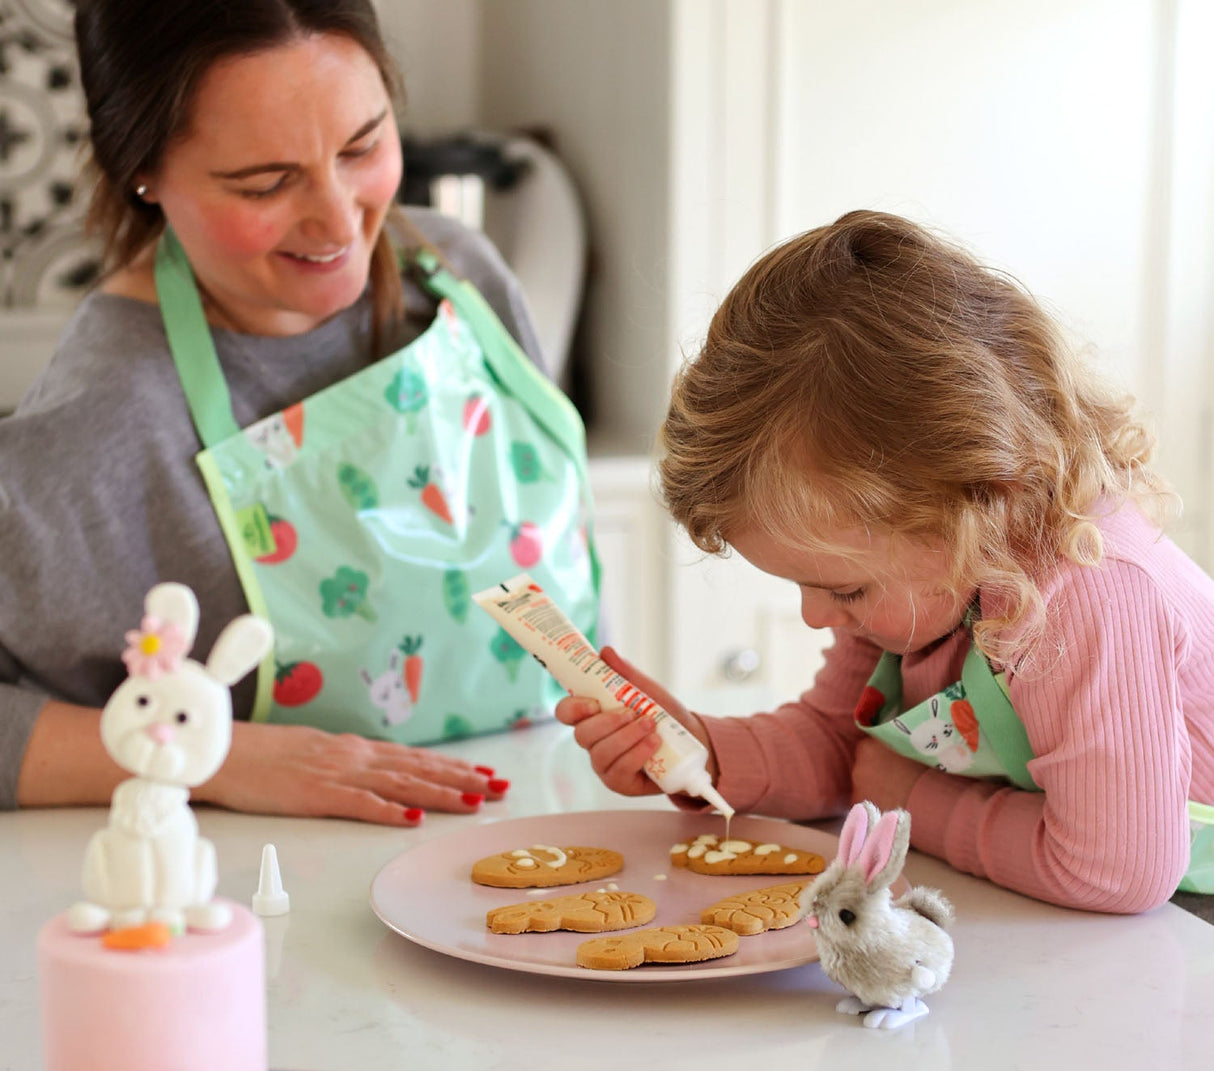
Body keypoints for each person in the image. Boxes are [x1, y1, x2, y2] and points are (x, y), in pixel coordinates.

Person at [558, 209, 1214, 914]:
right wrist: (703, 754)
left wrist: (909, 799)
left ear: (974, 507)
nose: (816, 615)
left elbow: (1114, 870)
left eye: (842, 589)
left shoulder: (1088, 594)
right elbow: (839, 747)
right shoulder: (918, 580)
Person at [0, 0, 541, 821]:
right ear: (142, 172)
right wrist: (208, 753)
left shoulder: (458, 278)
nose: (338, 218)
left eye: (363, 146)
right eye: (266, 182)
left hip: (542, 835)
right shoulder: (89, 432)